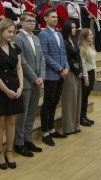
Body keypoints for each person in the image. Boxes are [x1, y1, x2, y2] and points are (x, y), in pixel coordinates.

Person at [0, 19, 24, 170]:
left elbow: (19, 69)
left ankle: (9, 152)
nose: (12, 34)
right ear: (1, 31)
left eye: (13, 32)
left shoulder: (15, 48)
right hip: (0, 89)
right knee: (0, 122)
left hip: (14, 87)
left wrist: (20, 87)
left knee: (12, 121)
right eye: (9, 31)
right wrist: (7, 91)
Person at [13, 12, 45, 157]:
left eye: (34, 21)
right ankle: (18, 143)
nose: (33, 23)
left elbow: (42, 58)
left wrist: (41, 76)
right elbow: (22, 61)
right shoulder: (17, 38)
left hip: (37, 81)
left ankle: (27, 139)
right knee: (22, 114)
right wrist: (34, 77)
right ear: (21, 22)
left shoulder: (36, 38)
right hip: (26, 81)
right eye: (29, 21)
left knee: (31, 112)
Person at [38, 8, 69, 146]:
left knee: (55, 101)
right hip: (51, 74)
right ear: (45, 19)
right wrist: (59, 68)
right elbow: (44, 55)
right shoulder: (43, 34)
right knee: (48, 102)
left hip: (62, 73)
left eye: (56, 17)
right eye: (53, 17)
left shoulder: (59, 34)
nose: (56, 19)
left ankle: (51, 128)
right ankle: (44, 132)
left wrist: (66, 67)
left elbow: (63, 53)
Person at [61, 20, 85, 134]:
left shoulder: (74, 42)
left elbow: (79, 57)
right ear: (67, 29)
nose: (75, 29)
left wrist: (80, 69)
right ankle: (68, 127)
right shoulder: (64, 42)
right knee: (70, 100)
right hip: (70, 72)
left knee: (77, 99)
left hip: (77, 72)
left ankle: (76, 125)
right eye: (73, 28)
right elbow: (67, 60)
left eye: (75, 27)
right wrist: (76, 71)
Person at [78, 28, 97, 126]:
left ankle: (84, 116)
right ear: (84, 36)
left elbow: (93, 62)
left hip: (92, 72)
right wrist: (86, 78)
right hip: (86, 74)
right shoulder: (82, 48)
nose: (92, 36)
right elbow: (83, 64)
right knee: (83, 97)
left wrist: (95, 74)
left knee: (86, 97)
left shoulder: (91, 46)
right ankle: (81, 118)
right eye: (90, 35)